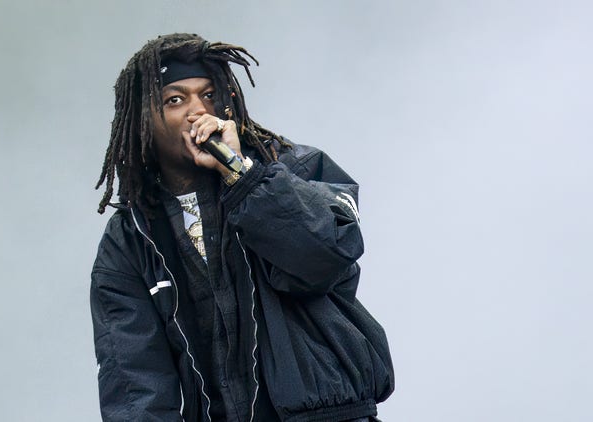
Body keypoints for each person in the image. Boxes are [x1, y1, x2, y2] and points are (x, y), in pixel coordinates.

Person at [90, 33, 394, 422]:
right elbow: (133, 382)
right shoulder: (131, 239)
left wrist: (242, 175)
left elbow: (325, 256)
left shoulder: (293, 170)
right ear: (143, 120)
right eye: (175, 100)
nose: (198, 111)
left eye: (209, 94)